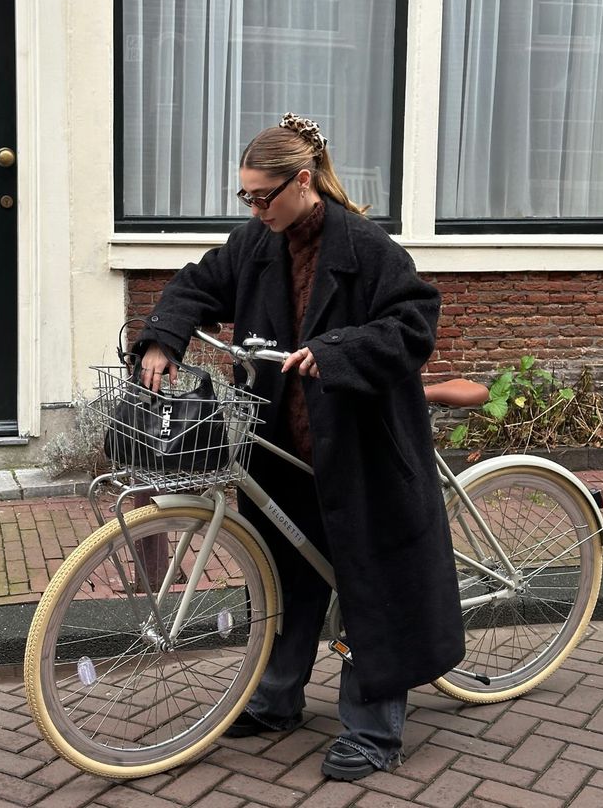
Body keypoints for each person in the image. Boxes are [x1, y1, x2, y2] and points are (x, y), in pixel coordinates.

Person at [135, 112, 465, 781]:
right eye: (246, 198)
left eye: (265, 196)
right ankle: (276, 698)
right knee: (280, 576)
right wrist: (162, 337)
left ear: (304, 181)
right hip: (280, 445)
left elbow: (413, 323)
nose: (256, 209)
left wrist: (337, 349)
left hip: (362, 451)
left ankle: (374, 730)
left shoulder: (367, 249)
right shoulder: (255, 245)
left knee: (369, 586)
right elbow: (198, 283)